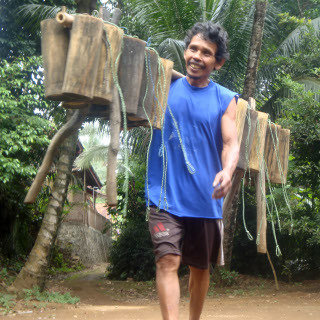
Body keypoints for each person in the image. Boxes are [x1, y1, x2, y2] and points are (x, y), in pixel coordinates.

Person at [146, 21, 240, 320]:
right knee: (168, 261)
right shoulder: (163, 87)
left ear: (218, 62)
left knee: (200, 269)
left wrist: (227, 171)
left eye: (207, 52)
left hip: (205, 198)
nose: (197, 56)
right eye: (193, 49)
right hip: (164, 195)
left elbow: (231, 142)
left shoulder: (225, 99)